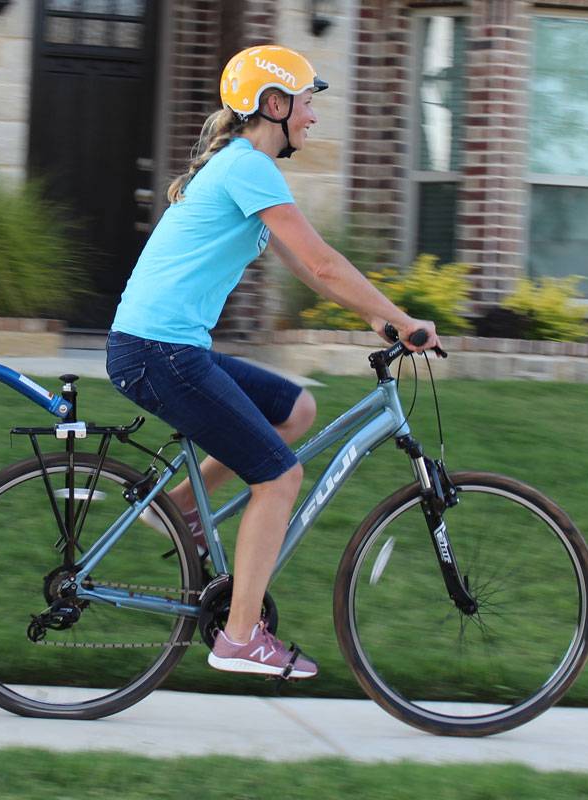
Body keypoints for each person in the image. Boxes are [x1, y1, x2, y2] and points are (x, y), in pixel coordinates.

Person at [107, 45, 440, 680]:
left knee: (296, 409)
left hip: (163, 348)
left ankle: (176, 512)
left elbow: (307, 265)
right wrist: (402, 319)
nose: (314, 117)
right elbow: (320, 261)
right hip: (159, 352)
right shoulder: (248, 168)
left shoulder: (243, 168)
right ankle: (238, 638)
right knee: (280, 477)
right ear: (274, 105)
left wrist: (373, 316)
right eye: (308, 103)